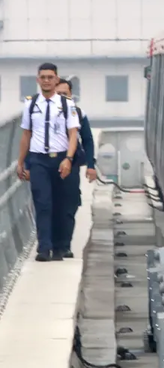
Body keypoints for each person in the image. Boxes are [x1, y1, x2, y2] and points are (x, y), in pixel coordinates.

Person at [17, 62, 80, 262]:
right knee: (42, 203)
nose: (46, 81)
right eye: (42, 77)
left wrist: (69, 159)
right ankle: (44, 247)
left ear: (56, 79)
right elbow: (26, 135)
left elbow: (73, 134)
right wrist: (21, 163)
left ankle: (61, 247)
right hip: (38, 161)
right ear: (38, 80)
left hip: (60, 158)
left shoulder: (66, 104)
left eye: (50, 77)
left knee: (61, 205)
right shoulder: (31, 104)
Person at [55, 78, 97, 258]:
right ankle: (50, 244)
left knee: (70, 205)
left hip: (70, 167)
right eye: (59, 94)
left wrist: (90, 165)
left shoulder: (79, 114)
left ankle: (65, 245)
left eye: (65, 94)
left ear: (71, 96)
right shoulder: (41, 114)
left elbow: (87, 140)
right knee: (49, 205)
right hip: (47, 165)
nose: (63, 98)